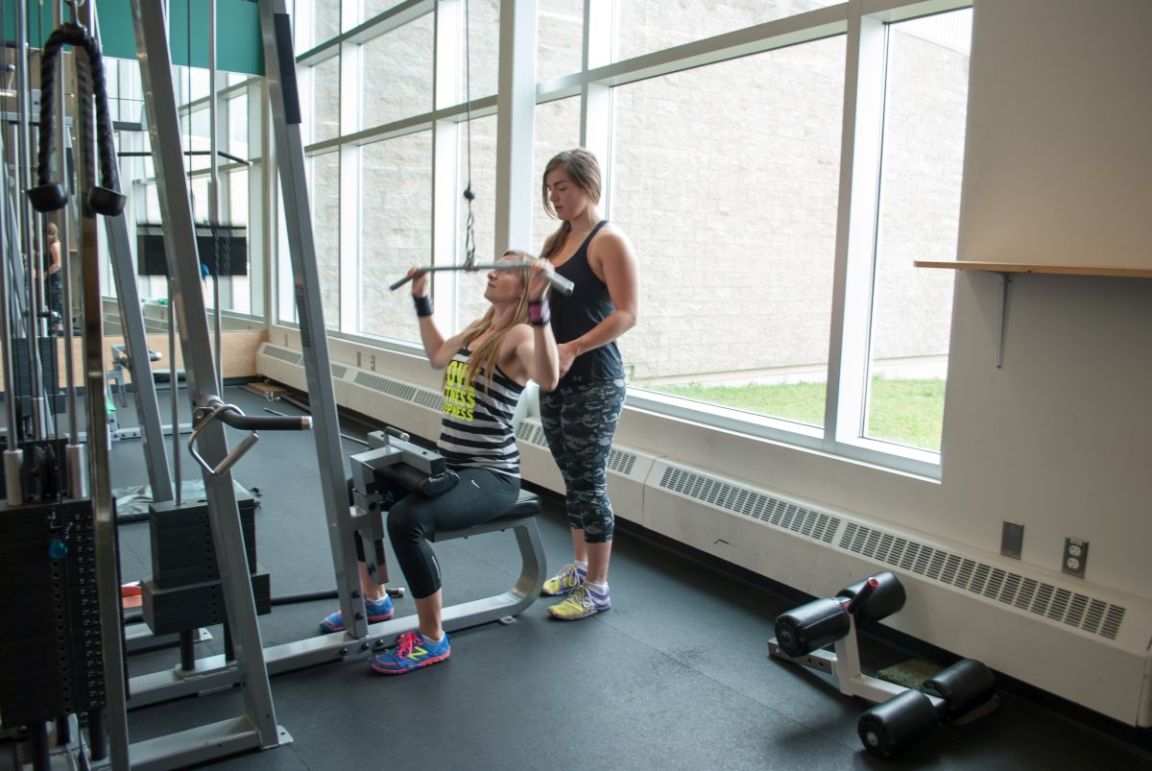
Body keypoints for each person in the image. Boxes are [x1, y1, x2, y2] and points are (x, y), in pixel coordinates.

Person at [318, 250, 559, 675]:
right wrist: (421, 300)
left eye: (504, 270)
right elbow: (437, 356)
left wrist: (541, 307)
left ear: (524, 285)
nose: (492, 273)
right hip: (451, 463)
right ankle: (373, 600)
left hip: (492, 474)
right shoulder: (482, 327)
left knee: (406, 520)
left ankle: (432, 638)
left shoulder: (520, 334)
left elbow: (549, 376)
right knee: (357, 487)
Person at [536, 148, 639, 621]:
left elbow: (626, 314)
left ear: (588, 184)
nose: (556, 197)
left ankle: (598, 588)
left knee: (589, 482)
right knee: (571, 479)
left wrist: (574, 347)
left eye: (564, 186)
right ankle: (580, 567)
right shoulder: (554, 242)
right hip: (554, 376)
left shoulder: (608, 240)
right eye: (551, 188)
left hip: (595, 380)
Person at [43, 221, 64, 334]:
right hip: (57, 281)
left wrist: (44, 274)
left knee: (55, 310)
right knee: (57, 309)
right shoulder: (58, 244)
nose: (46, 237)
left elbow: (57, 264)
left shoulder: (54, 246)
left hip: (55, 282)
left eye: (48, 234)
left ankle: (57, 334)